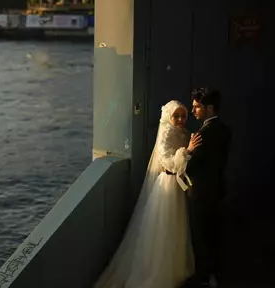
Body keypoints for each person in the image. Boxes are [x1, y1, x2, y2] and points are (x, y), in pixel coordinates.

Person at [94, 100, 202, 288]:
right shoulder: (166, 134)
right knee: (165, 227)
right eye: (176, 115)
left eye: (183, 115)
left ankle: (176, 268)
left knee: (177, 226)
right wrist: (188, 151)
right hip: (168, 185)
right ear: (168, 117)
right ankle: (160, 272)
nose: (180, 119)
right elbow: (168, 162)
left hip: (178, 185)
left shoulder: (184, 133)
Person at [183, 88, 232, 288]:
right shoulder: (226, 130)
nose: (193, 110)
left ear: (209, 108)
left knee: (200, 235)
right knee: (214, 233)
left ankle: (203, 277)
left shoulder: (202, 134)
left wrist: (188, 151)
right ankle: (215, 274)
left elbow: (190, 166)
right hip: (217, 189)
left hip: (201, 192)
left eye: (197, 107)